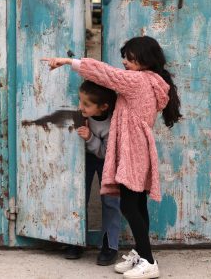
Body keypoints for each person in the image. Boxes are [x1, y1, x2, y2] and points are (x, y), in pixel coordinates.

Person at [44, 36, 181, 279]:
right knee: (138, 204)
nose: (124, 61)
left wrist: (67, 61)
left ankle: (149, 262)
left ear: (145, 60)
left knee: (129, 205)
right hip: (138, 149)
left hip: (132, 151)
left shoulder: (138, 81)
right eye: (124, 56)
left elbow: (105, 74)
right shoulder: (150, 80)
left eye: (129, 57)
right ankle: (142, 253)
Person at [64, 80, 121, 266]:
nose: (81, 107)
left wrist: (89, 137)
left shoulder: (111, 124)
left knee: (110, 201)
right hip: (83, 158)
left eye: (86, 104)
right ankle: (75, 239)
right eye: (80, 101)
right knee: (79, 197)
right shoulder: (81, 113)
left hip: (106, 160)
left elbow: (105, 152)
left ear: (103, 107)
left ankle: (109, 244)